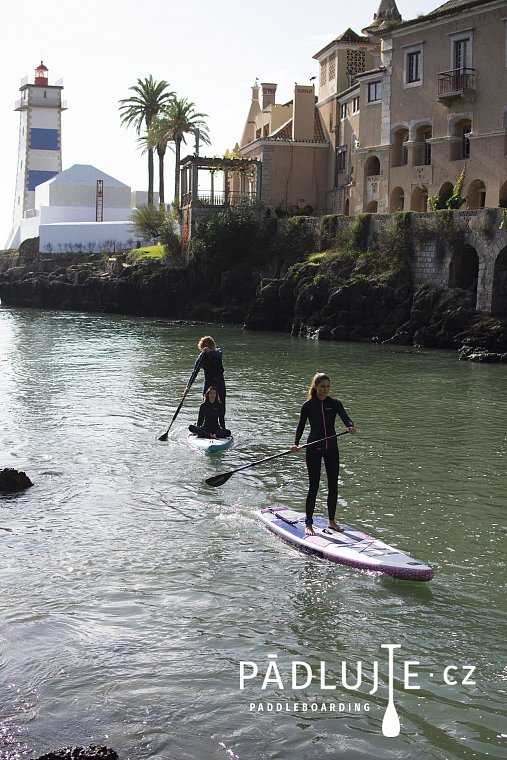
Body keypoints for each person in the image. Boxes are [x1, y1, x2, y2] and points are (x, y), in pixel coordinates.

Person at [291, 373, 357, 536]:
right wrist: (296, 443)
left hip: (331, 448)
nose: (325, 390)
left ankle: (332, 521)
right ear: (315, 386)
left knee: (333, 485)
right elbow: (300, 426)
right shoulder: (308, 406)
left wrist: (350, 426)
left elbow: (346, 419)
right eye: (322, 386)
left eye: (328, 387)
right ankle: (309, 523)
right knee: (314, 486)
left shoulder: (334, 404)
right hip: (313, 448)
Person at [184, 336, 226, 408]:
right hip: (208, 381)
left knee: (221, 404)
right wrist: (188, 386)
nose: (207, 347)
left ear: (212, 346)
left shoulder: (218, 352)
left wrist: (210, 352)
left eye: (209, 345)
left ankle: (221, 418)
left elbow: (218, 354)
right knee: (205, 404)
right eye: (205, 345)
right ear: (202, 346)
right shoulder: (201, 357)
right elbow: (195, 371)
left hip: (219, 381)